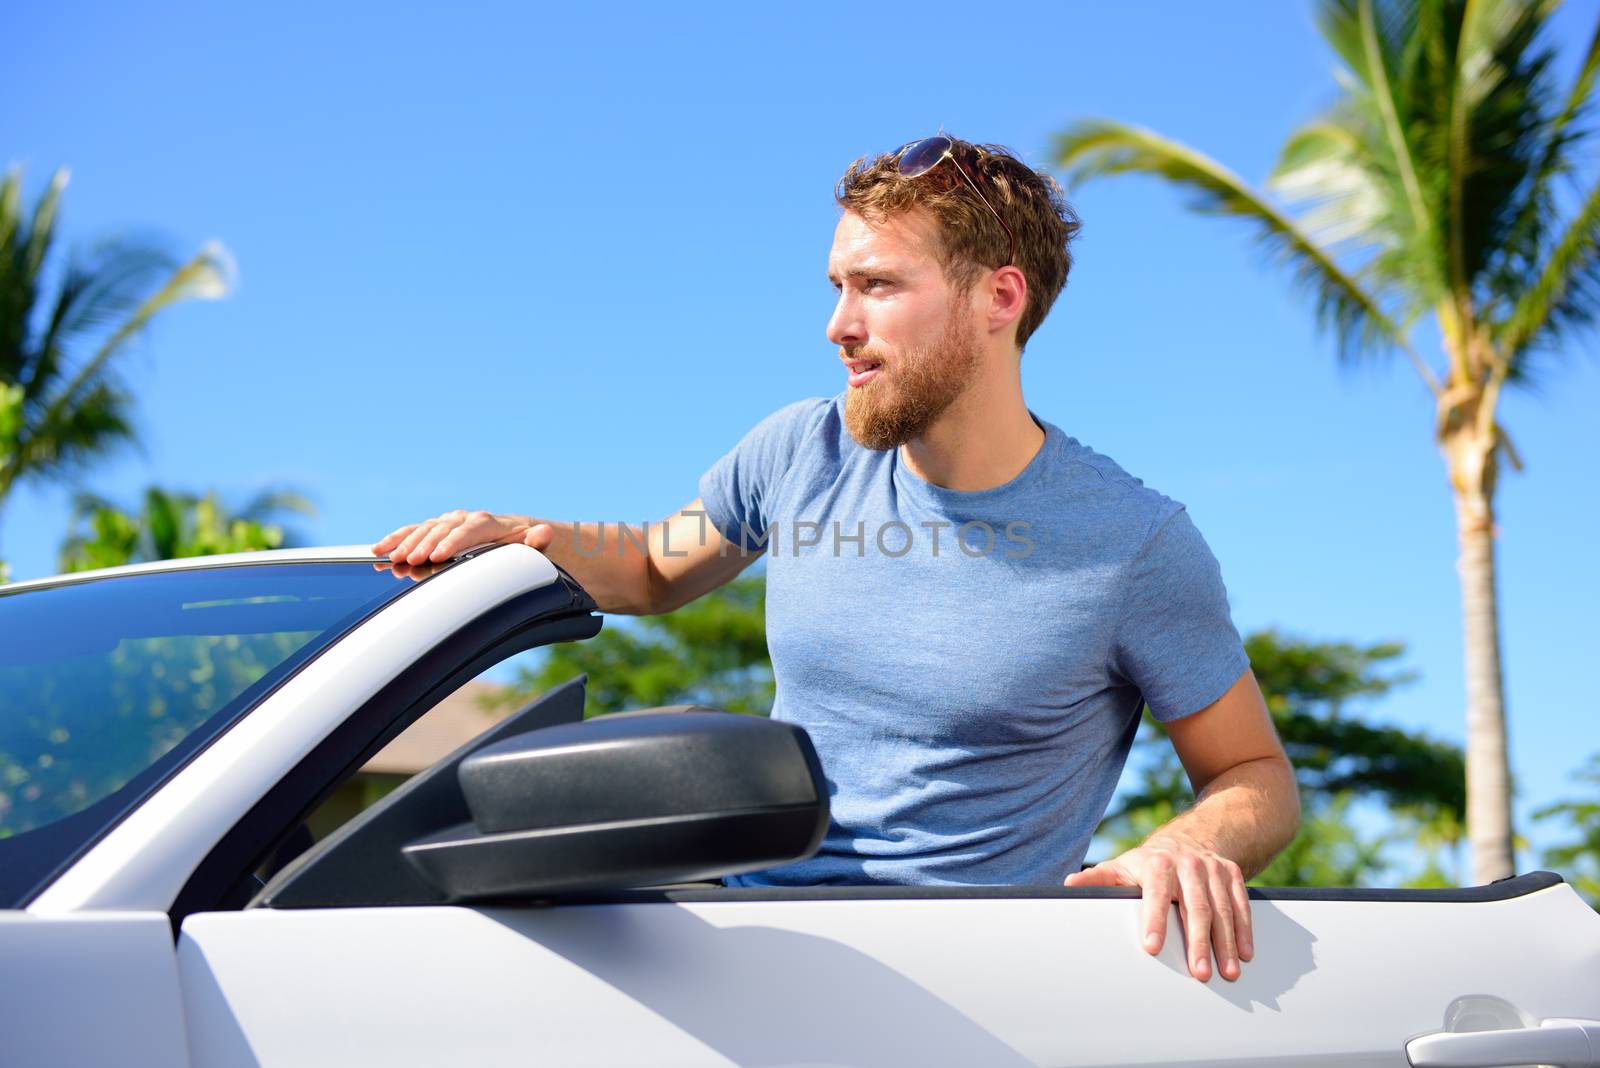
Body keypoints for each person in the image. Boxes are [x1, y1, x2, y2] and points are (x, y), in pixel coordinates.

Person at [373, 134, 1299, 984]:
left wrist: (1191, 842)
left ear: (999, 299)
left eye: (879, 286)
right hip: (745, 951)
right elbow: (655, 566)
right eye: (835, 287)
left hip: (964, 989)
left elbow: (1254, 774)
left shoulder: (1133, 544)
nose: (838, 325)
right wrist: (521, 535)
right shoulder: (799, 451)